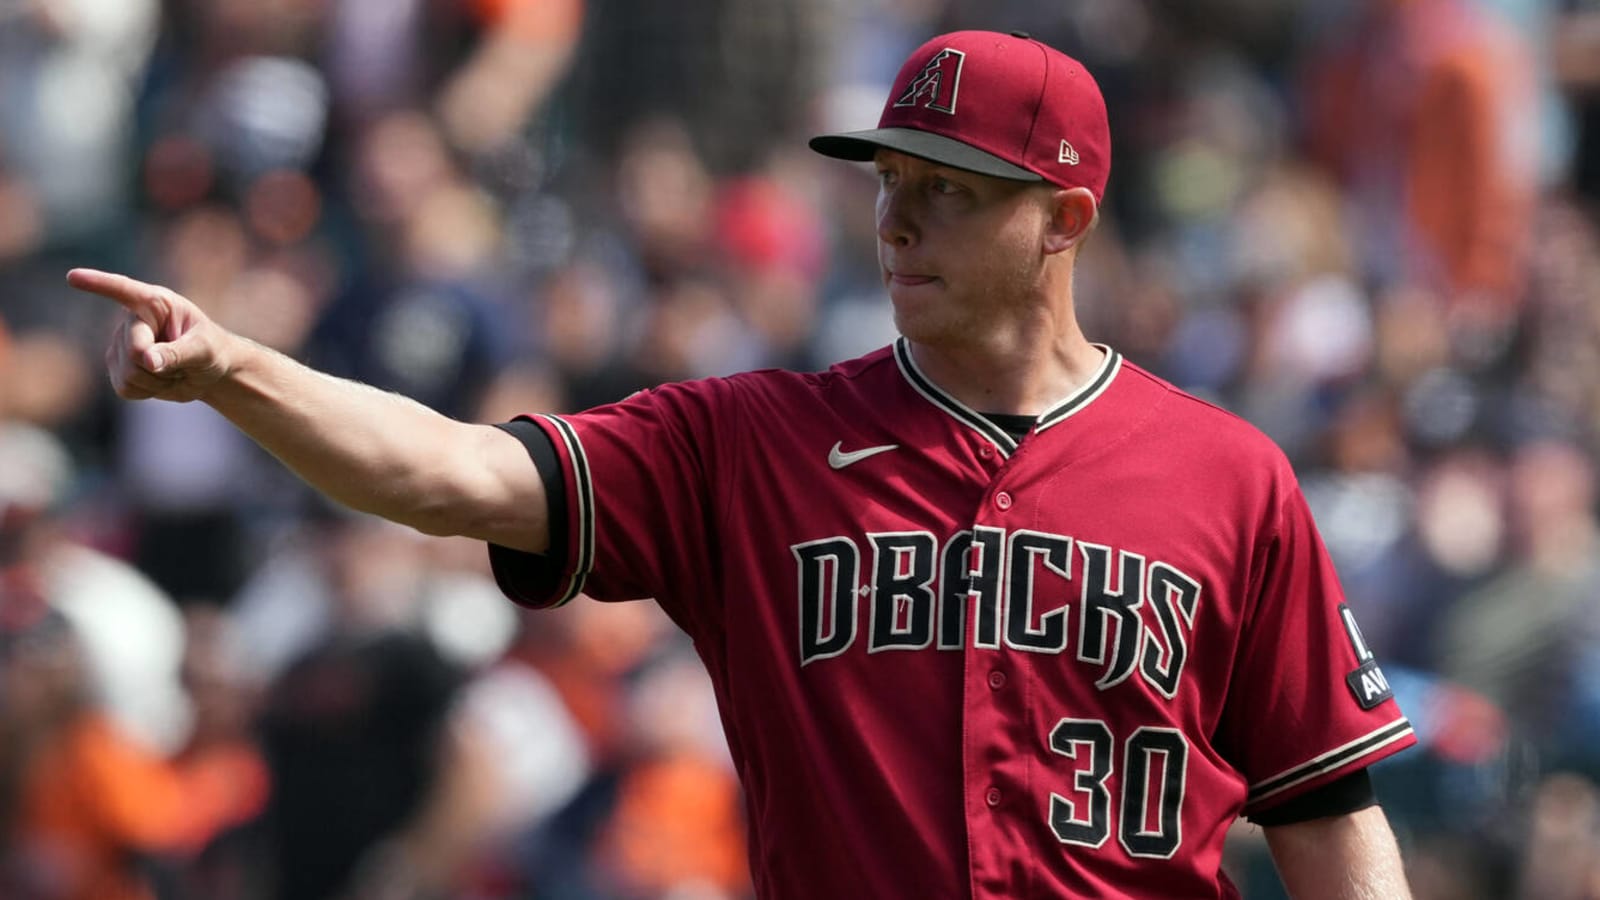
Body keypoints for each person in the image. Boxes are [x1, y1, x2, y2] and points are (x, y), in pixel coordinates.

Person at [70, 30, 1416, 899]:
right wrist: (237, 368)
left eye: (950, 187)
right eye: (889, 178)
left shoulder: (1227, 476)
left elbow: (1326, 808)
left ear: (1063, 216)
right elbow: (449, 473)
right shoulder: (749, 441)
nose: (897, 217)